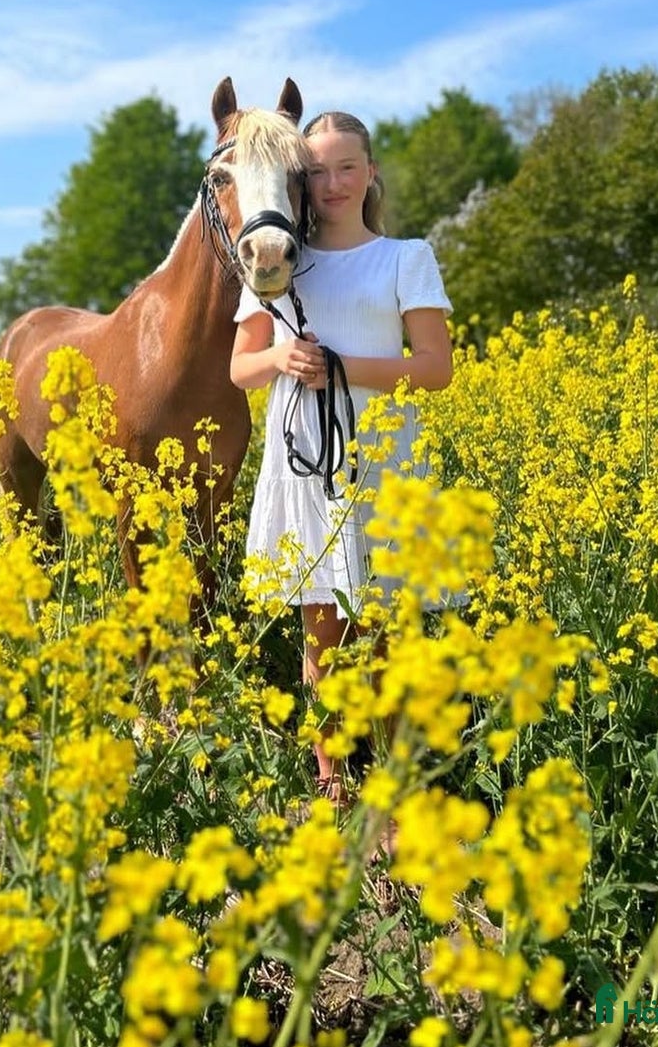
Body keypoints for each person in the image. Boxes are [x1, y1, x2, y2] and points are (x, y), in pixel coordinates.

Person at [229, 110, 453, 798]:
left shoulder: (404, 257)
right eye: (316, 171)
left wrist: (342, 364)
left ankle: (388, 778)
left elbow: (437, 368)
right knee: (322, 631)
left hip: (385, 460)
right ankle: (331, 779)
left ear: (371, 173)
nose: (331, 183)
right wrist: (281, 355)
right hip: (303, 456)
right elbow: (241, 368)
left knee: (384, 632)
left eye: (345, 166)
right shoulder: (275, 258)